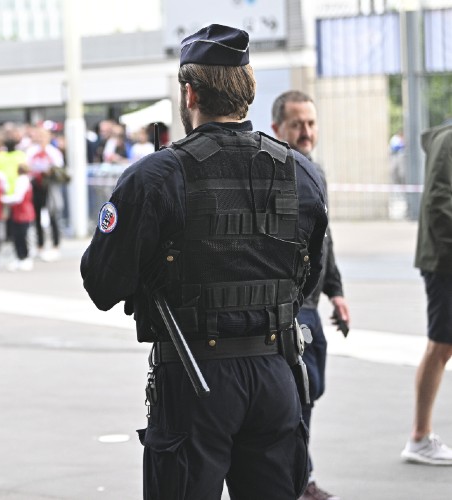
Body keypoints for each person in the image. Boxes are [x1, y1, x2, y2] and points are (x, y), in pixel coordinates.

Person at [81, 24, 328, 499]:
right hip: (276, 371)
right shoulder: (301, 173)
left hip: (196, 378)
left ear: (190, 92)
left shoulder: (155, 176)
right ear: (248, 89)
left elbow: (102, 285)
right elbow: (308, 277)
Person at [271, 90, 349, 500]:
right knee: (295, 397)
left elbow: (324, 239)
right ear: (277, 128)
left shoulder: (314, 172)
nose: (306, 131)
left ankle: (299, 478)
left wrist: (336, 291)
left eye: (311, 123)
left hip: (312, 309)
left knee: (310, 392)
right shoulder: (270, 173)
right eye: (297, 124)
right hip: (286, 309)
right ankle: (297, 482)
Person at [402, 119, 452, 466]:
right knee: (441, 344)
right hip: (444, 261)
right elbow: (438, 204)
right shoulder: (448, 141)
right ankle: (419, 436)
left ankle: (420, 436)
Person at [25, 127, 65, 262]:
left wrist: (50, 171)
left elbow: (59, 168)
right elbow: (27, 167)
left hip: (50, 187)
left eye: (44, 136)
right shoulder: (31, 151)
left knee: (53, 215)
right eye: (39, 136)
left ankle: (55, 245)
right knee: (36, 216)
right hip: (36, 186)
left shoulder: (53, 152)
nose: (41, 138)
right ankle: (40, 245)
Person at [1, 163, 35, 272]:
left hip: (22, 212)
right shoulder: (26, 180)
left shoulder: (22, 180)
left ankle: (24, 257)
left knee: (21, 236)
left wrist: (4, 199)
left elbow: (18, 198)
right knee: (19, 236)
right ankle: (21, 257)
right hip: (21, 212)